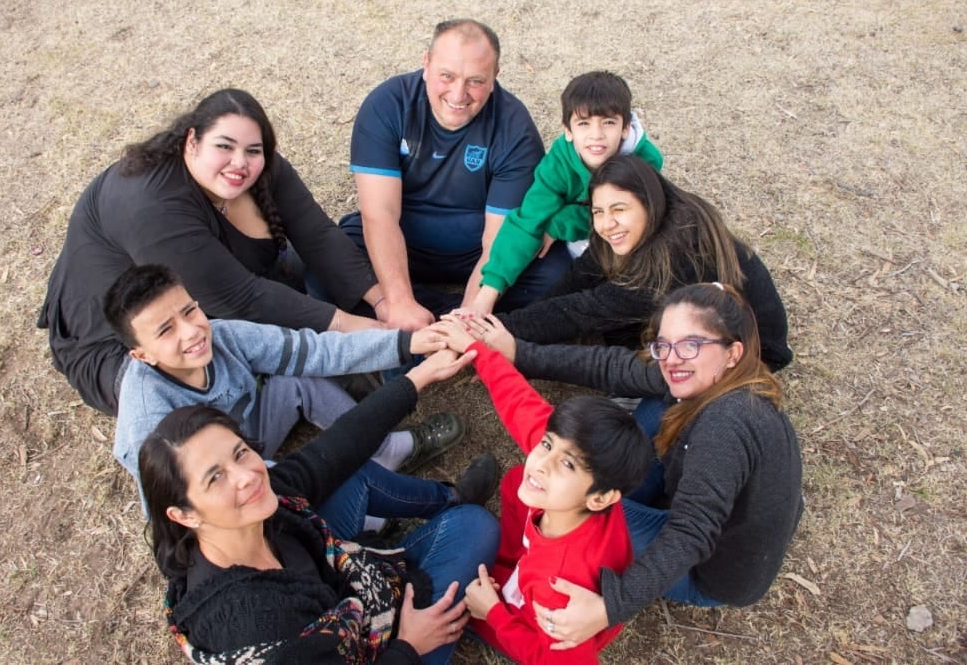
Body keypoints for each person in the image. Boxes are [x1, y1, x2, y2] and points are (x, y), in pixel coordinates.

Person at [461, 284, 803, 648]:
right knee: (651, 410)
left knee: (567, 501)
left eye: (691, 344)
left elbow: (691, 533)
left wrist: (608, 608)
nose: (672, 359)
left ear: (733, 352)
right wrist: (508, 354)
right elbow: (611, 367)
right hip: (725, 513)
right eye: (663, 345)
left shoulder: (726, 423)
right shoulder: (716, 380)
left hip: (710, 570)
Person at [38, 88, 386, 416]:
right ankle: (297, 385)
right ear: (192, 141)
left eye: (253, 150)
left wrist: (386, 302)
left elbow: (317, 234)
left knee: (328, 265)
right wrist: (356, 328)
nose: (240, 163)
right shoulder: (150, 205)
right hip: (130, 346)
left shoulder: (256, 166)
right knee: (217, 366)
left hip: (211, 296)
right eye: (224, 146)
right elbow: (243, 298)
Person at [142, 350, 501, 664]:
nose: (247, 476)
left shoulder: (261, 509)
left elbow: (339, 447)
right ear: (184, 514)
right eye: (214, 478)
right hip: (380, 647)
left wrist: (418, 375)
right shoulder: (258, 624)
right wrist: (409, 645)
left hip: (339, 585)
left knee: (346, 471)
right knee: (475, 527)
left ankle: (450, 499)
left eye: (240, 453)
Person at [103, 264, 466, 506]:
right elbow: (182, 506)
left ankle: (386, 451)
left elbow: (315, 351)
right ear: (141, 355)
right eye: (166, 330)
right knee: (295, 487)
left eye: (189, 311)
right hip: (221, 479)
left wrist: (407, 343)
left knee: (295, 374)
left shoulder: (226, 337)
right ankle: (367, 517)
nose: (191, 332)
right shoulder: (148, 424)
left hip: (247, 433)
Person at [431, 319, 651, 664]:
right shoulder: (579, 488)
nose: (543, 462)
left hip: (539, 617)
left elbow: (557, 660)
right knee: (518, 479)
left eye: (567, 465)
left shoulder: (559, 587)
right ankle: (507, 560)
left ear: (602, 497)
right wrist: (478, 350)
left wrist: (494, 613)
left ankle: (492, 602)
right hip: (544, 562)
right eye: (547, 444)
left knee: (453, 596)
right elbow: (520, 403)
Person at [340, 18, 562, 330]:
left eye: (475, 81)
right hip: (402, 242)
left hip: (474, 253)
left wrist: (468, 315)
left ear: (495, 76)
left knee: (557, 274)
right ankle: (409, 311)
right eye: (447, 76)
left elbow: (498, 242)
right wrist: (400, 300)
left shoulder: (515, 128)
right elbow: (380, 215)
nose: (459, 95)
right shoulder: (387, 104)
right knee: (332, 262)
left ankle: (439, 318)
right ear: (426, 64)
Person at [497, 154, 793, 372]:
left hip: (753, 355)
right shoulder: (650, 218)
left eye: (619, 209)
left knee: (621, 358)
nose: (606, 223)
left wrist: (499, 335)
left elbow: (582, 309)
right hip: (701, 320)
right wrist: (505, 325)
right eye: (598, 212)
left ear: (648, 203)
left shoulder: (677, 255)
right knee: (604, 326)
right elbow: (579, 277)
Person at [468, 70, 664, 315]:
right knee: (542, 275)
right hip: (580, 246)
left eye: (609, 122)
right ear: (568, 131)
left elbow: (637, 217)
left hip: (627, 241)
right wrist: (487, 293)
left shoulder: (645, 160)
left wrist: (560, 222)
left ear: (625, 128)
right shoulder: (558, 164)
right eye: (584, 123)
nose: (596, 134)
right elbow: (528, 221)